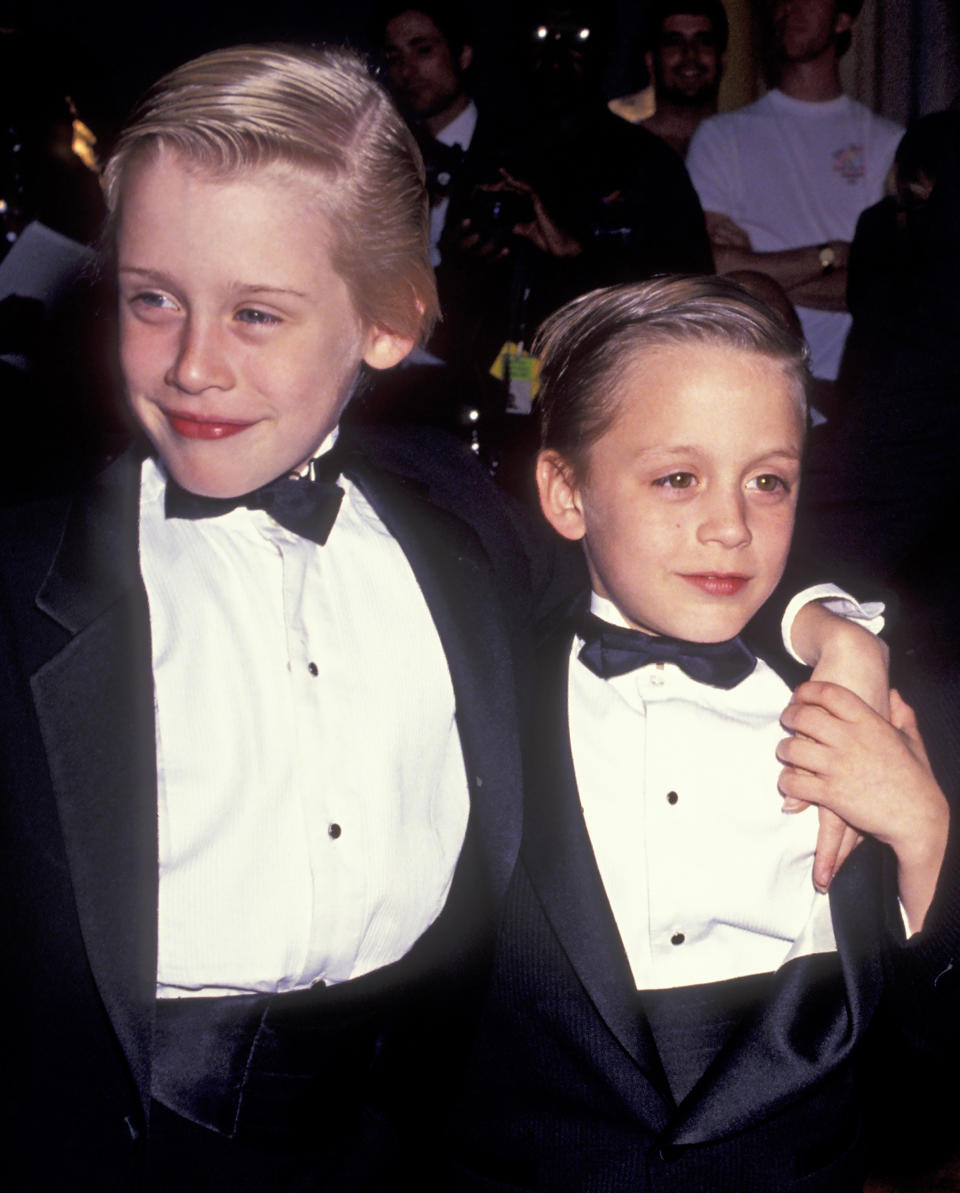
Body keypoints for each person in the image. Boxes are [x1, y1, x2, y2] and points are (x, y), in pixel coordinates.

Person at [0, 46, 889, 1191]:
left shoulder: (464, 522)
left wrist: (841, 634)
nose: (193, 364)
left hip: (415, 1142)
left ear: (385, 322)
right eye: (152, 298)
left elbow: (692, 539)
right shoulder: (25, 580)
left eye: (257, 312)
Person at [447, 276, 957, 1191]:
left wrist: (926, 842)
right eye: (677, 477)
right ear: (566, 493)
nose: (729, 526)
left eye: (768, 480)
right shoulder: (477, 696)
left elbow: (927, 1094)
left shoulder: (875, 721)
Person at [686, 0, 902, 388]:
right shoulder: (721, 137)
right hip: (752, 380)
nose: (788, 7)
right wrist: (832, 255)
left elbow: (884, 286)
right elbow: (710, 267)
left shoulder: (887, 142)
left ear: (843, 18)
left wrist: (754, 271)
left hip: (853, 387)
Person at [612, 0, 728, 161]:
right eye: (674, 42)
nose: (690, 54)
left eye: (703, 42)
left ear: (723, 61)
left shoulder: (750, 146)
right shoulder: (618, 149)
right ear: (650, 61)